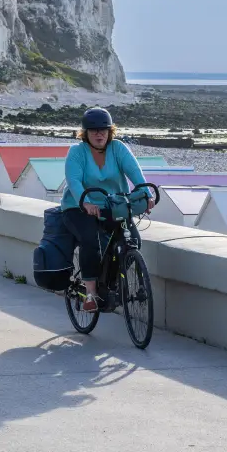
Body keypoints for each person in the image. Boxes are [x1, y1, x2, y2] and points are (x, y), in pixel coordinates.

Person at [61, 107, 154, 311]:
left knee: (133, 240)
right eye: (93, 130)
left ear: (110, 131)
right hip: (78, 207)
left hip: (113, 206)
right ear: (85, 133)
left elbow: (135, 173)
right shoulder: (76, 152)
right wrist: (84, 202)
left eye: (103, 129)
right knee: (90, 240)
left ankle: (110, 281)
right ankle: (91, 294)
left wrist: (147, 194)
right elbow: (74, 180)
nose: (98, 133)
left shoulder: (118, 148)